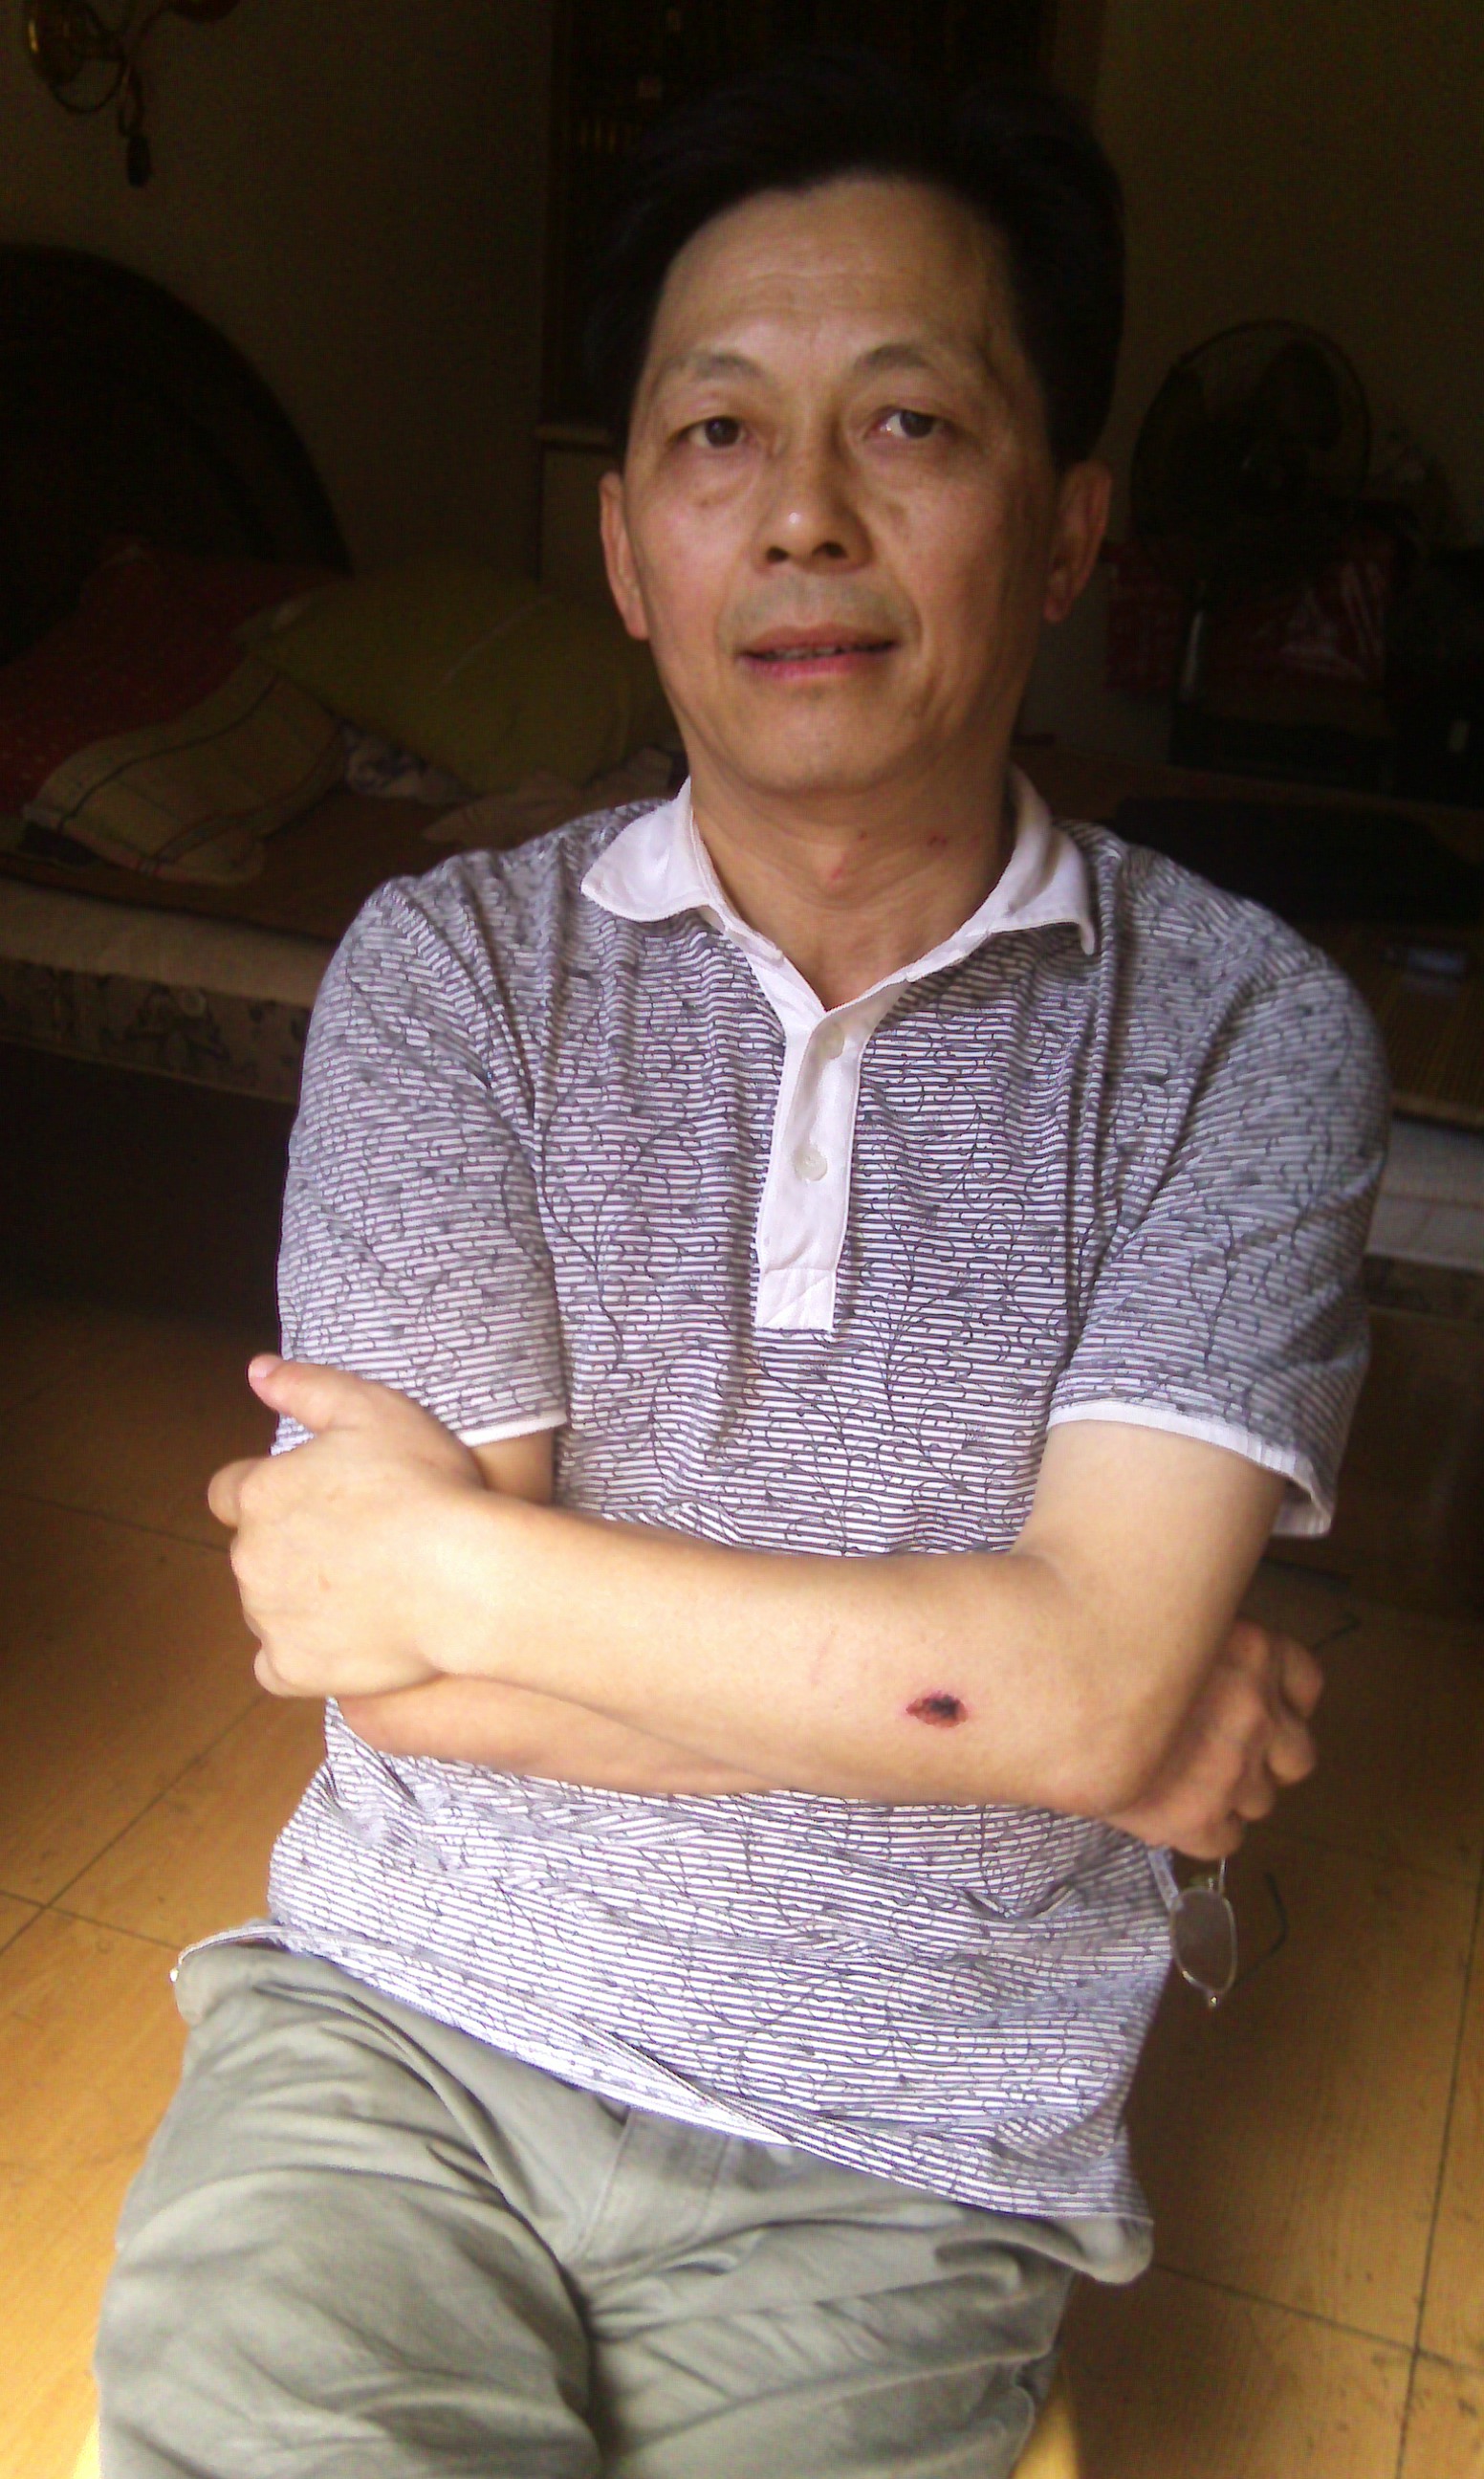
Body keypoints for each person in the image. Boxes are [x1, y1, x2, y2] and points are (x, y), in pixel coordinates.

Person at [97, 48, 1387, 2479]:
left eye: (906, 424)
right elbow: (401, 1685)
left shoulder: (1245, 1040)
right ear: (625, 552)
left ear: (1067, 528)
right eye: (714, 435)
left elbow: (429, 1610)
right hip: (398, 2032)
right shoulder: (447, 976)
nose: (797, 515)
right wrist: (1048, 1719)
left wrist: (463, 1566)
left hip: (908, 2140)